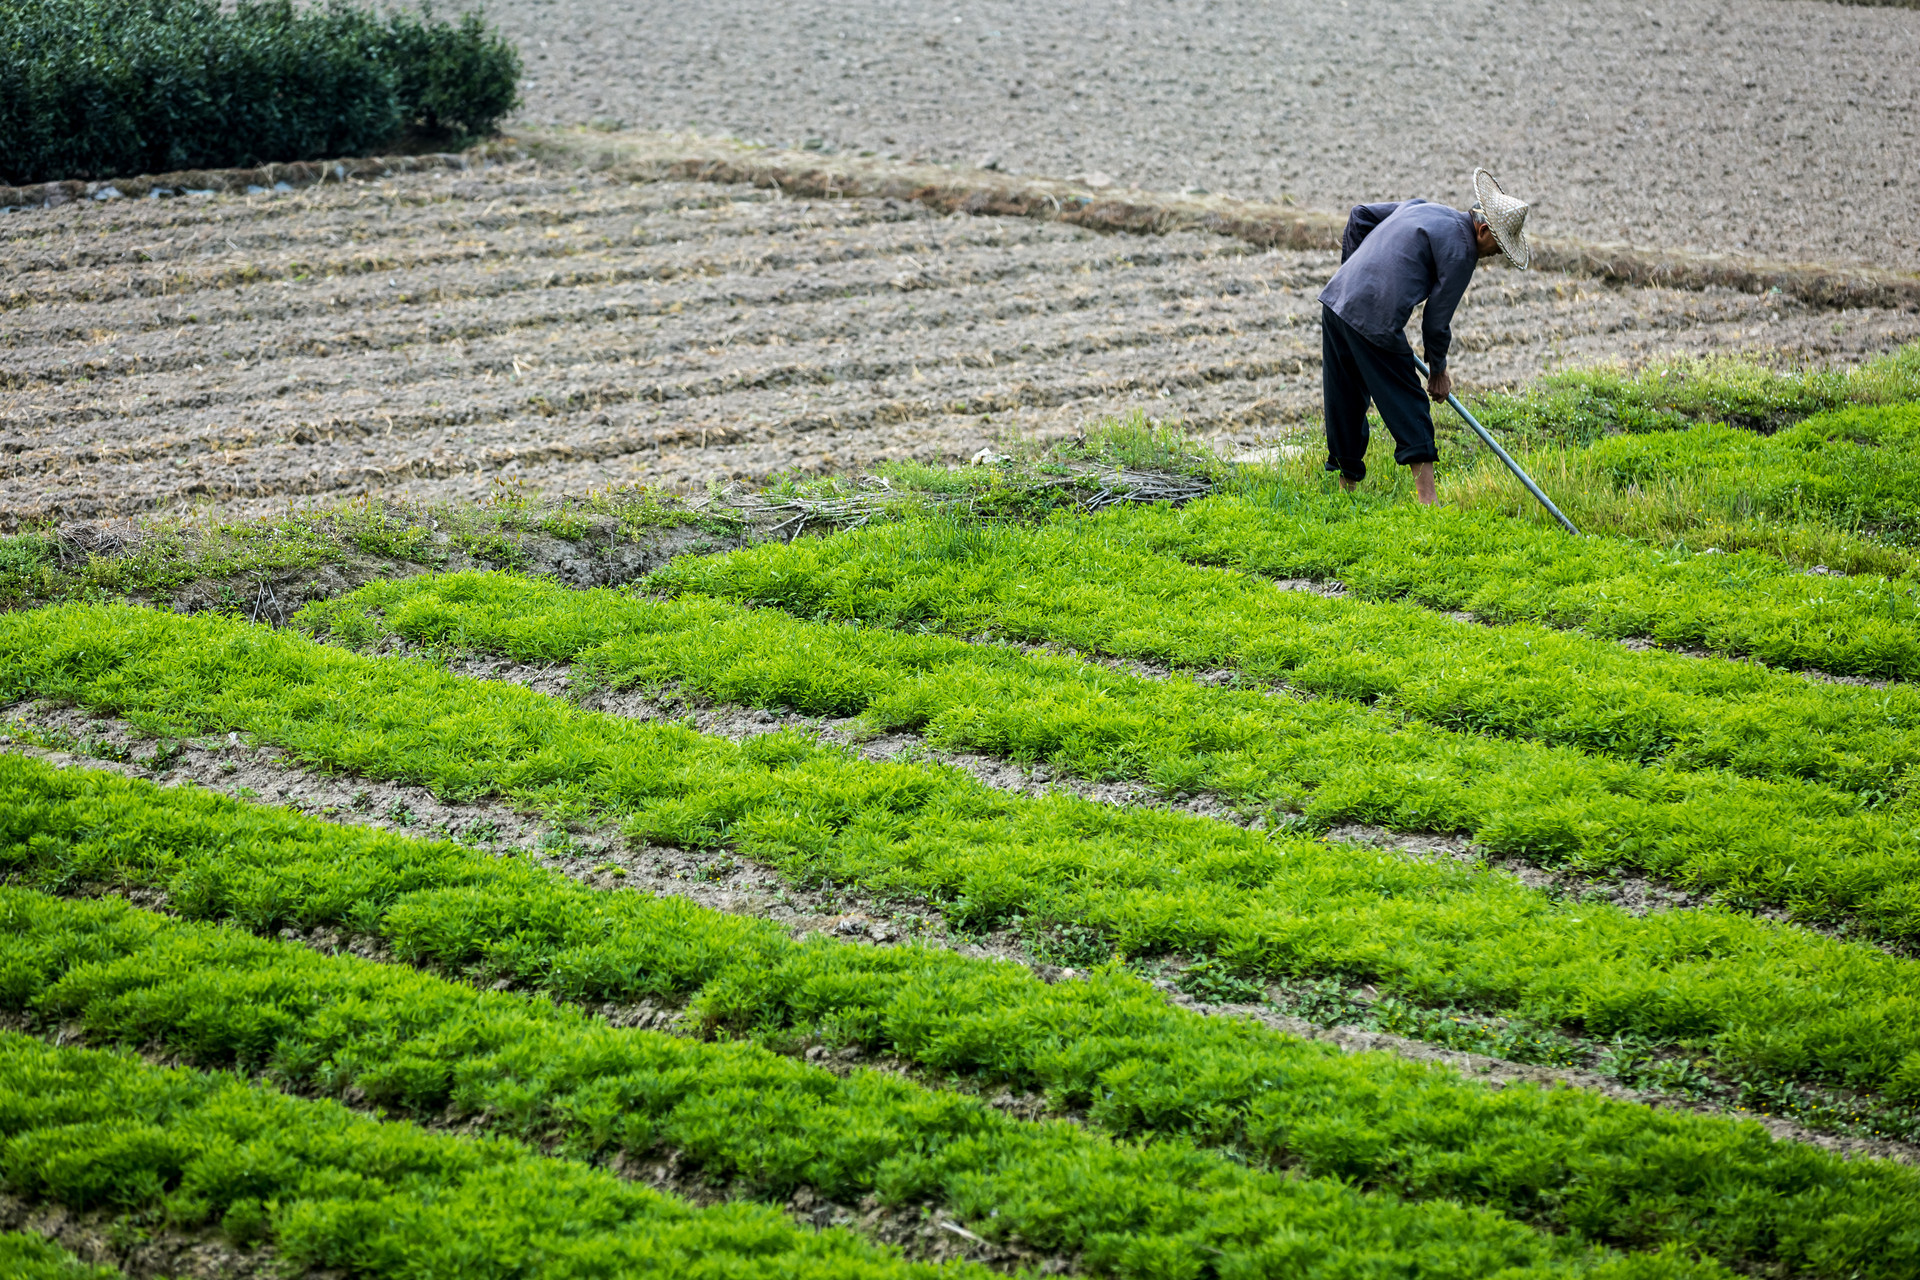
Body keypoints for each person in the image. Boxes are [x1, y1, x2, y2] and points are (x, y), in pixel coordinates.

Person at [1316, 168, 1531, 504]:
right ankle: (1427, 501)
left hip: (1336, 302)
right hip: (1374, 316)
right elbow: (1435, 321)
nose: (1497, 255)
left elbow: (1359, 216)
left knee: (1346, 395)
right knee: (1407, 399)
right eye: (1499, 246)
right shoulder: (1463, 252)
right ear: (1484, 230)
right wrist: (1439, 372)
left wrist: (1350, 276)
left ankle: (1346, 491)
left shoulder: (1423, 207)